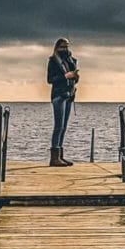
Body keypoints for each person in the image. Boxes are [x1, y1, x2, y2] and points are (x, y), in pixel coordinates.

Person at [46, 37, 78, 166]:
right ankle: (54, 157)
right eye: (62, 47)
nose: (65, 49)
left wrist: (75, 75)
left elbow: (76, 77)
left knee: (64, 127)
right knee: (58, 126)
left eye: (67, 46)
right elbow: (50, 79)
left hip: (69, 94)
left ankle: (60, 155)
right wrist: (65, 76)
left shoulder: (71, 60)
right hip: (58, 95)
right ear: (57, 48)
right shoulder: (53, 61)